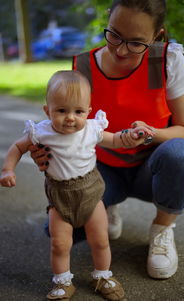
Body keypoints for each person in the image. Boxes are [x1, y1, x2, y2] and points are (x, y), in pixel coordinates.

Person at [29, 0, 184, 281]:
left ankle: (162, 228)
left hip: (152, 168)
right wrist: (45, 149)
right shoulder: (82, 66)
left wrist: (149, 133)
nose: (121, 50)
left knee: (182, 155)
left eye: (135, 43)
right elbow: (64, 125)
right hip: (100, 171)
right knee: (58, 229)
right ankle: (106, 205)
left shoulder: (169, 59)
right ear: (108, 20)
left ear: (156, 36)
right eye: (115, 35)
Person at [0, 70, 154, 300]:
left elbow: (115, 140)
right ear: (47, 111)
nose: (70, 117)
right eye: (61, 111)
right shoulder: (41, 131)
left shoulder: (92, 129)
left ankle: (103, 275)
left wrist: (130, 136)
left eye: (78, 111)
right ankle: (62, 282)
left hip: (90, 193)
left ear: (88, 112)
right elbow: (17, 147)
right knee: (60, 245)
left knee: (100, 240)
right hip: (60, 198)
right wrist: (8, 169)